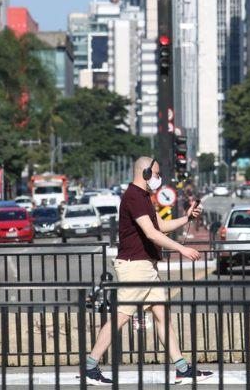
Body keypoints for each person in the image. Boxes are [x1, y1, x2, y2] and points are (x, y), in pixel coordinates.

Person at [83, 156, 213, 385]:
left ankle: (182, 369)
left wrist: (186, 218)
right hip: (135, 267)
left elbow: (159, 227)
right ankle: (90, 367)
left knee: (162, 316)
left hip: (147, 267)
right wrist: (182, 249)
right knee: (121, 317)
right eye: (156, 174)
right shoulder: (134, 197)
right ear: (145, 173)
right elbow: (152, 234)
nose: (159, 179)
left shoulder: (143, 197)